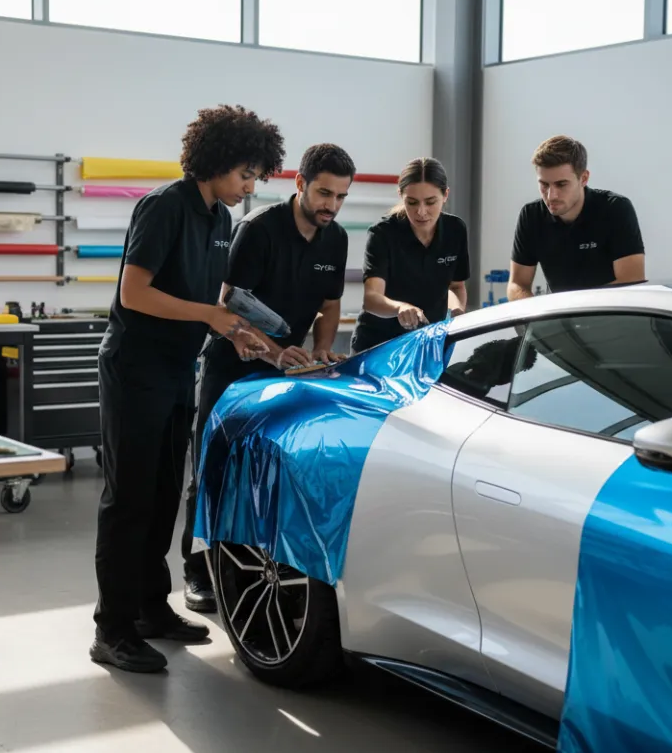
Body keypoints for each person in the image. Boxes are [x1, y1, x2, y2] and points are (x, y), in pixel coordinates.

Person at [91, 104, 284, 674]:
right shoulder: (164, 207)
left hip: (178, 371)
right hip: (135, 370)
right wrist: (210, 315)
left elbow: (212, 305)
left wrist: (250, 336)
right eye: (245, 174)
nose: (250, 187)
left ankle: (151, 608)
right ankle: (113, 628)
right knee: (128, 501)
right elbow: (135, 294)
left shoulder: (220, 220)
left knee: (161, 497)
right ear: (217, 161)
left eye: (256, 177)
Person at [179, 143, 356, 613]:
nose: (331, 206)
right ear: (299, 183)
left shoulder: (335, 239)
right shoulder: (258, 229)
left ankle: (251, 565)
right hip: (232, 364)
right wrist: (277, 353)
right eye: (323, 193)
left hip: (289, 364)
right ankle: (197, 570)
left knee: (268, 468)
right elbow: (231, 301)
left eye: (340, 197)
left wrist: (321, 347)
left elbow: (330, 304)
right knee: (211, 465)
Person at [350, 157, 470, 355]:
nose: (421, 212)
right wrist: (399, 308)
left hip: (427, 342)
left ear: (445, 195)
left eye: (431, 202)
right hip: (377, 344)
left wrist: (457, 311)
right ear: (400, 195)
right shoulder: (382, 234)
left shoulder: (455, 230)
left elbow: (456, 286)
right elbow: (372, 298)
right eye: (411, 202)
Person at [507, 135, 644, 300]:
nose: (551, 196)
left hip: (611, 318)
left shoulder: (615, 209)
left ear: (584, 178)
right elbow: (517, 284)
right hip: (560, 320)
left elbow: (631, 281)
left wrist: (573, 315)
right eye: (544, 185)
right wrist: (535, 321)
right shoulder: (531, 215)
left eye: (561, 184)